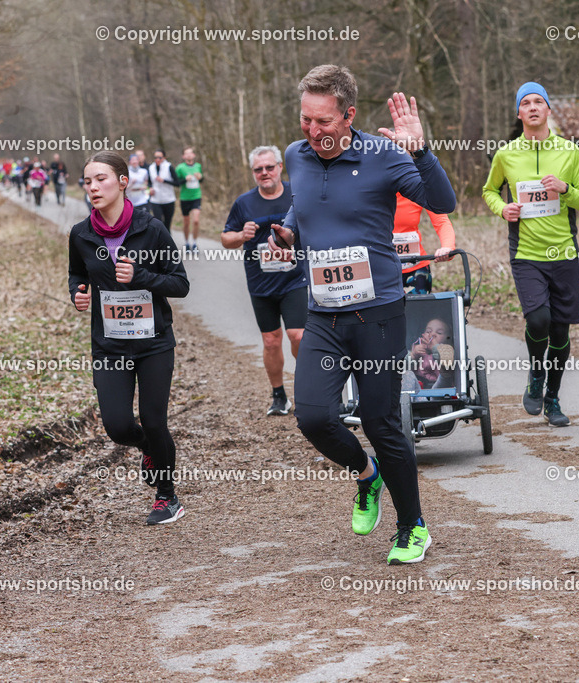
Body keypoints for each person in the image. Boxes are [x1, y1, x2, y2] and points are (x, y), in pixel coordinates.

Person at [268, 64, 455, 565]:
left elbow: (442, 200)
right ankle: (365, 474)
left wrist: (422, 151)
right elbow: (302, 208)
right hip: (323, 314)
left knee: (380, 420)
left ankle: (412, 526)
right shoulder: (296, 156)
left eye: (323, 121)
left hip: (378, 314)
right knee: (313, 417)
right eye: (305, 119)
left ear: (349, 115)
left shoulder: (383, 155)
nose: (312, 130)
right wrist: (286, 232)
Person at [69, 151, 190, 525]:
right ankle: (147, 449)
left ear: (123, 182)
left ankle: (167, 497)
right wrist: (78, 292)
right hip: (109, 345)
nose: (93, 187)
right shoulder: (81, 234)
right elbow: (77, 274)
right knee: (118, 426)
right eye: (87, 181)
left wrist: (142, 277)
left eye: (100, 179)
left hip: (154, 343)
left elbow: (180, 283)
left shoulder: (150, 228)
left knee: (154, 420)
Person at [482, 82, 579, 427]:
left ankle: (553, 398)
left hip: (563, 252)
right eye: (525, 103)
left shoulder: (569, 152)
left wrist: (566, 190)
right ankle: (535, 371)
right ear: (519, 113)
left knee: (560, 334)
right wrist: (504, 209)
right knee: (539, 321)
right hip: (527, 253)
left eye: (538, 102)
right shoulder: (506, 155)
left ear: (548, 110)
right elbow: (489, 191)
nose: (532, 107)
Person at [221, 146, 307, 416]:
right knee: (271, 341)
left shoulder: (297, 193)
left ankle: (308, 390)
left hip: (295, 279)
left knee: (298, 336)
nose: (264, 173)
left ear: (280, 166)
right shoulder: (244, 203)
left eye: (269, 167)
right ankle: (279, 395)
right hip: (261, 283)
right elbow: (226, 239)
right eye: (258, 169)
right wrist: (241, 236)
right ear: (253, 173)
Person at [393, 193, 456, 294]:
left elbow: (441, 221)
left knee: (418, 309)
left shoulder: (413, 185)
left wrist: (447, 247)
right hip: (380, 271)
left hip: (415, 269)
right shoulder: (370, 187)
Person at [409, 318, 455, 390]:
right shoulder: (416, 349)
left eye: (439, 333)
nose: (433, 334)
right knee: (407, 373)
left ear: (448, 338)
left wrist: (435, 347)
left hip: (442, 387)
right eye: (428, 331)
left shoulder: (447, 349)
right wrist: (413, 355)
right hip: (418, 388)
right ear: (423, 335)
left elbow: (448, 361)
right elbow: (403, 367)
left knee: (446, 375)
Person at [176, 147, 202, 252]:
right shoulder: (180, 168)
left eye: (190, 153)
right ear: (183, 156)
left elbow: (201, 179)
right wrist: (184, 179)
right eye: (186, 154)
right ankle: (187, 243)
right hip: (184, 198)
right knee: (186, 222)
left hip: (196, 196)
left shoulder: (198, 166)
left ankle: (194, 243)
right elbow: (177, 182)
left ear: (194, 155)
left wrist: (200, 177)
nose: (189, 155)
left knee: (196, 220)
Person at [147, 150, 179, 229]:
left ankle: (167, 240)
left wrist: (164, 181)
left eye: (160, 158)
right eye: (155, 158)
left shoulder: (169, 167)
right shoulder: (151, 168)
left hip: (168, 200)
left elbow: (177, 183)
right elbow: (148, 182)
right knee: (158, 223)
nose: (157, 159)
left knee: (167, 225)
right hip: (155, 200)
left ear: (164, 158)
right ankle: (160, 241)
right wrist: (149, 189)